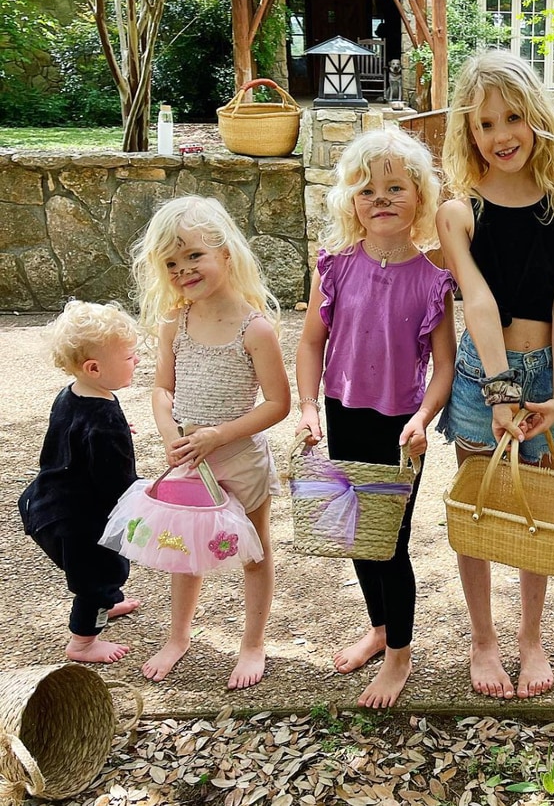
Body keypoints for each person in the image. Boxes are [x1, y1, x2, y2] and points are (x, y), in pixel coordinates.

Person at [436, 49, 554, 700]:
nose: (502, 135)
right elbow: (478, 303)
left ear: (537, 118)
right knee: (477, 510)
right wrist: (500, 393)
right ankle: (483, 638)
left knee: (538, 515)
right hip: (482, 379)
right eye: (485, 123)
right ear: (469, 132)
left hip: (548, 377)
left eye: (514, 118)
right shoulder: (459, 212)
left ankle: (530, 636)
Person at [295, 128, 457, 709]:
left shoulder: (433, 281)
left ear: (420, 197)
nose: (381, 198)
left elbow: (444, 366)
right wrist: (309, 406)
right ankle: (381, 627)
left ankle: (399, 656)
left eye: (395, 187)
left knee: (391, 542)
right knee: (358, 536)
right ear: (350, 200)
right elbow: (312, 341)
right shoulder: (335, 267)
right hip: (342, 413)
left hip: (399, 428)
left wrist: (424, 417)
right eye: (367, 189)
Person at [132, 195, 290, 688]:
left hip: (239, 458)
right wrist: (170, 435)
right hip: (187, 461)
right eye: (171, 263)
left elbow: (277, 403)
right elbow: (163, 389)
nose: (183, 270)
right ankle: (179, 636)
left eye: (193, 255)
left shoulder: (255, 327)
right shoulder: (173, 322)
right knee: (186, 550)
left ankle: (253, 643)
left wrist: (218, 435)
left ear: (225, 252)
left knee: (254, 552)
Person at [18, 300, 142, 663]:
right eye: (130, 357)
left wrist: (113, 434)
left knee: (97, 574)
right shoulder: (103, 419)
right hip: (76, 520)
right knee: (100, 573)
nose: (137, 361)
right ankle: (83, 642)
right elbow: (118, 484)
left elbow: (71, 430)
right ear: (94, 367)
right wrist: (147, 494)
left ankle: (105, 604)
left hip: (46, 502)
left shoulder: (74, 394)